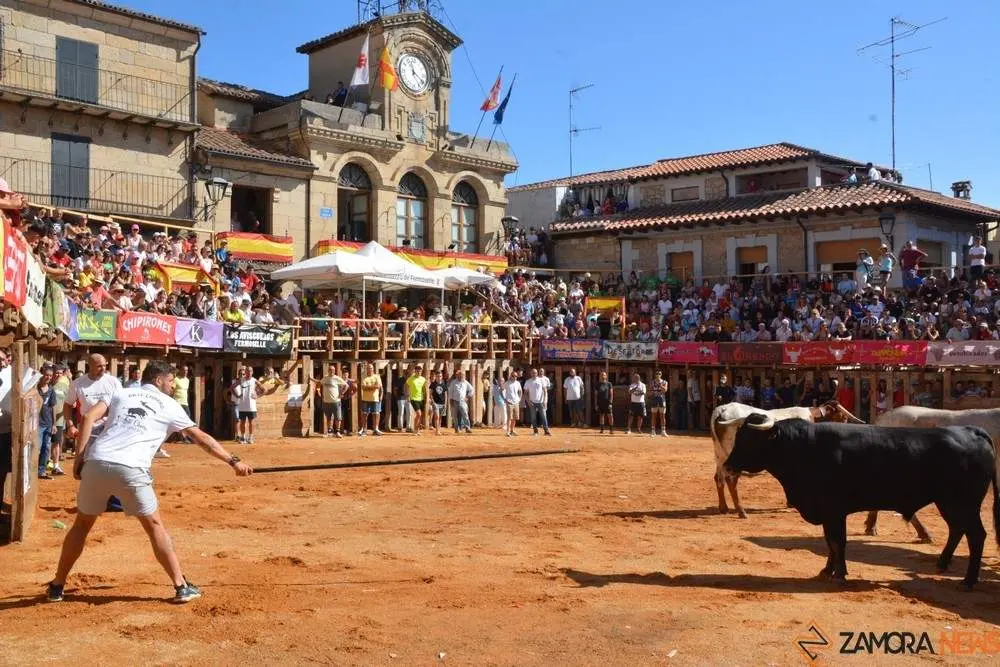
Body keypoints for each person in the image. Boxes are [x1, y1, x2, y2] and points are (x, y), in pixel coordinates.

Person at [46, 360, 253, 604]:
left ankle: (57, 586)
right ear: (157, 379)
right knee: (154, 525)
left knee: (81, 524)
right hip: (131, 468)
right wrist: (233, 461)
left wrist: (80, 457)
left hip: (97, 462)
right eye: (169, 380)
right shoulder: (169, 404)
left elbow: (88, 417)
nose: (172, 385)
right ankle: (181, 585)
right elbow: (202, 439)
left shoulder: (120, 391)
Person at [65, 354, 124, 513]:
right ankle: (92, 500)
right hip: (88, 430)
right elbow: (68, 405)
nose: (103, 369)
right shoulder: (78, 384)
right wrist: (70, 425)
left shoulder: (112, 382)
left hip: (110, 428)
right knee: (87, 465)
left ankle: (113, 501)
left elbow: (122, 403)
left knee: (111, 463)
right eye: (99, 366)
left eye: (105, 365)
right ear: (89, 366)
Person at [233, 366, 264, 444]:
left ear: (252, 372)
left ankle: (250, 437)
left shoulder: (254, 381)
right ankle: (243, 437)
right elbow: (232, 388)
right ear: (245, 372)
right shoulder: (241, 380)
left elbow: (264, 389)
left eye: (250, 371)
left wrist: (257, 396)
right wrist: (237, 395)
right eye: (247, 371)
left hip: (251, 406)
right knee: (242, 422)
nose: (248, 372)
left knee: (251, 422)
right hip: (242, 405)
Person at [312, 366, 347, 437]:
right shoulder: (325, 378)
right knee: (328, 417)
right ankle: (329, 431)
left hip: (336, 401)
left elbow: (346, 385)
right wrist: (311, 379)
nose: (331, 371)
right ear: (328, 370)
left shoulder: (337, 378)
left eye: (333, 370)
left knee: (338, 417)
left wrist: (342, 393)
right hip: (326, 401)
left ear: (334, 371)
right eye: (330, 370)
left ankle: (337, 431)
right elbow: (319, 382)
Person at [50, 364, 70, 474]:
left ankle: (55, 466)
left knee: (56, 443)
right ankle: (42, 465)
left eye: (60, 373)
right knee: (44, 443)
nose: (58, 375)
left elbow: (70, 402)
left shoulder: (65, 386)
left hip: (59, 420)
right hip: (45, 419)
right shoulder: (46, 384)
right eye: (56, 373)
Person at [37, 372, 57, 480]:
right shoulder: (35, 389)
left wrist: (54, 424)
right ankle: (32, 471)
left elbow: (53, 407)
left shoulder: (51, 390)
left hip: (48, 423)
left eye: (50, 375)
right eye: (46, 375)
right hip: (37, 423)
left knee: (46, 448)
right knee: (37, 448)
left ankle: (42, 471)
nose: (48, 377)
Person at [522, 368, 551, 436]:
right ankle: (535, 431)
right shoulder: (528, 381)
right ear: (530, 373)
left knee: (543, 416)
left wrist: (544, 401)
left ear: (537, 373)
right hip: (532, 402)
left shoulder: (541, 380)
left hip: (541, 402)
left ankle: (546, 431)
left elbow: (545, 391)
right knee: (533, 418)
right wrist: (528, 402)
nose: (534, 374)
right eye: (532, 373)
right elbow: (525, 393)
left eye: (535, 373)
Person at [358, 362, 384, 437]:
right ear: (366, 369)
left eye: (371, 368)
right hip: (365, 398)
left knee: (376, 413)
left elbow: (379, 387)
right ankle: (364, 430)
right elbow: (363, 387)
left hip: (375, 398)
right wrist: (374, 386)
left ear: (373, 369)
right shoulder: (364, 378)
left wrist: (381, 394)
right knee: (364, 414)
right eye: (368, 368)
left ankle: (375, 429)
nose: (370, 369)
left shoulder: (377, 376)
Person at [447, 369, 474, 434]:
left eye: (462, 375)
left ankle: (467, 428)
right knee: (455, 416)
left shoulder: (465, 382)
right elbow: (450, 392)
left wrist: (467, 397)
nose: (460, 376)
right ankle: (457, 429)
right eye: (459, 375)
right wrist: (450, 400)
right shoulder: (453, 382)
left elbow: (471, 390)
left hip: (462, 401)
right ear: (457, 376)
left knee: (465, 415)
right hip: (454, 401)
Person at [405, 365, 427, 435]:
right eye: (417, 371)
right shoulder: (411, 379)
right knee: (418, 414)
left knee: (420, 415)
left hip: (421, 398)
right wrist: (407, 395)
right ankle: (415, 430)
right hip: (413, 398)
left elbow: (424, 389)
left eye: (420, 371)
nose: (419, 372)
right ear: (415, 371)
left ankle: (417, 430)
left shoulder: (423, 379)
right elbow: (406, 386)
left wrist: (427, 397)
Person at [502, 370, 523, 437]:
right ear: (510, 376)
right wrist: (504, 399)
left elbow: (520, 391)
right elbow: (501, 390)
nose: (514, 377)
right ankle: (507, 432)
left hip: (516, 402)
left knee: (515, 418)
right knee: (509, 418)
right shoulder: (507, 383)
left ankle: (512, 430)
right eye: (513, 376)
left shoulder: (518, 383)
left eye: (516, 376)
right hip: (509, 402)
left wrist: (519, 399)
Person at [649, 370, 668, 437]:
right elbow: (650, 391)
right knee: (654, 415)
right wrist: (654, 393)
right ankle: (653, 431)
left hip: (662, 400)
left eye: (659, 373)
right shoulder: (652, 382)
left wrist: (660, 385)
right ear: (655, 374)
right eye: (657, 373)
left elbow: (665, 390)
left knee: (662, 416)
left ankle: (663, 431)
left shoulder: (664, 382)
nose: (658, 375)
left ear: (661, 374)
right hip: (654, 399)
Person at [595, 370, 614, 435]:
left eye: (604, 375)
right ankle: (602, 429)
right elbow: (596, 395)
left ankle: (611, 429)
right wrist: (596, 404)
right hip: (600, 403)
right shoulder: (597, 384)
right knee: (601, 416)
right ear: (600, 376)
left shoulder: (609, 384)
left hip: (607, 403)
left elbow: (611, 394)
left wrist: (610, 403)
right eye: (601, 375)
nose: (603, 376)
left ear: (606, 376)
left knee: (610, 416)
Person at [428, 369, 447, 435]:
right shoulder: (433, 384)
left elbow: (445, 394)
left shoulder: (444, 384)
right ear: (436, 376)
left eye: (440, 376)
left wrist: (445, 403)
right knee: (437, 416)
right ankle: (437, 430)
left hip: (442, 403)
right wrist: (433, 402)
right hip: (435, 403)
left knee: (440, 417)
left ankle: (438, 429)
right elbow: (430, 393)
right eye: (438, 376)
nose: (439, 377)